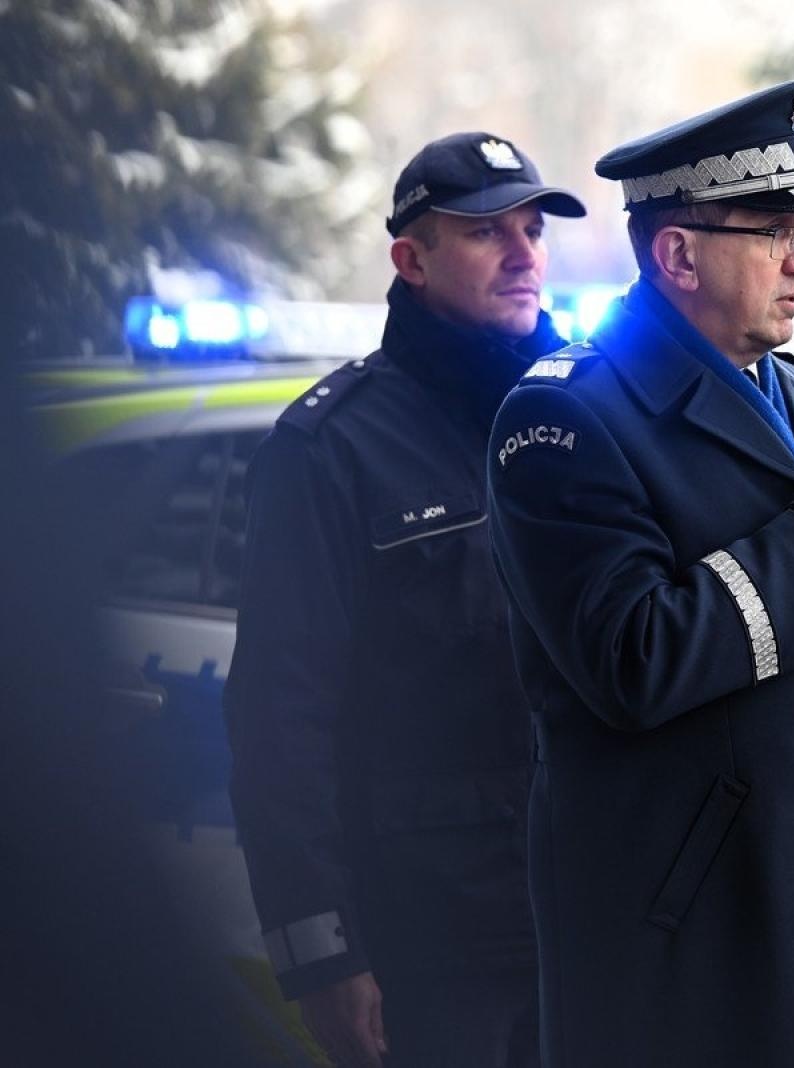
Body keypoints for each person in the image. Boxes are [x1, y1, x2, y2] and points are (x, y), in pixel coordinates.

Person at [485, 79, 794, 1068]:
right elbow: (633, 660)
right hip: (689, 948)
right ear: (676, 253)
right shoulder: (566, 419)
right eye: (774, 230)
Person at [224, 132, 587, 1068]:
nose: (524, 254)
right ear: (410, 260)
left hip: (587, 926)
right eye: (484, 233)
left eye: (533, 228)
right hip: (432, 949)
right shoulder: (329, 450)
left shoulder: (581, 420)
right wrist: (321, 956)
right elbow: (279, 718)